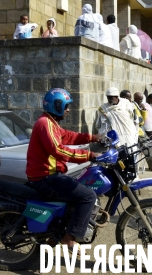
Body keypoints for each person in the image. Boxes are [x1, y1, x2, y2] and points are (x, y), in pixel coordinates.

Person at [26, 89, 100, 251]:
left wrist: (92, 137)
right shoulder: (45, 124)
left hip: (50, 175)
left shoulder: (50, 123)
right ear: (56, 105)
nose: (68, 110)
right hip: (45, 177)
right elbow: (58, 150)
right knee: (88, 196)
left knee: (78, 190)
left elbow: (67, 136)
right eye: (66, 106)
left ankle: (56, 234)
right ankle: (69, 238)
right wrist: (89, 155)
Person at [130, 91, 152, 172]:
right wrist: (143, 111)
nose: (140, 101)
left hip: (137, 130)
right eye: (139, 100)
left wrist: (143, 110)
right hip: (137, 132)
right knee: (149, 146)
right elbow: (141, 121)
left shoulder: (136, 106)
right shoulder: (133, 106)